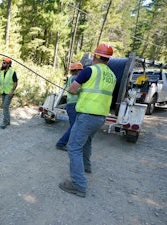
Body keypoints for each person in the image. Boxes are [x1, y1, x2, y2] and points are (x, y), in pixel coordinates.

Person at [58, 44, 116, 198]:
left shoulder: (89, 70)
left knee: (73, 147)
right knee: (87, 142)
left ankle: (78, 185)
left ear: (96, 56)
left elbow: (72, 89)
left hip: (87, 116)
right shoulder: (112, 75)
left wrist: (80, 89)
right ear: (108, 59)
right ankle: (86, 167)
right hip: (100, 117)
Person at [55, 62, 83, 151]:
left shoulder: (71, 78)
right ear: (78, 70)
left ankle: (68, 143)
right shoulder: (75, 78)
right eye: (81, 70)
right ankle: (61, 143)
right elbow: (75, 90)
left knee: (74, 126)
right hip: (74, 104)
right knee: (74, 127)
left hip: (71, 104)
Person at [0, 57, 18, 129]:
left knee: (5, 106)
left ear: (8, 64)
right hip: (3, 92)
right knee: (5, 107)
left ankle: (5, 122)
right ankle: (8, 121)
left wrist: (12, 91)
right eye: (3, 62)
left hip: (9, 92)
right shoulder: (1, 72)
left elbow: (15, 82)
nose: (3, 64)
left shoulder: (12, 72)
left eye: (5, 63)